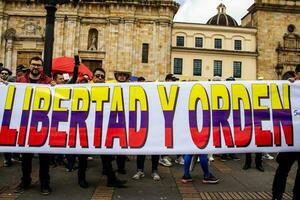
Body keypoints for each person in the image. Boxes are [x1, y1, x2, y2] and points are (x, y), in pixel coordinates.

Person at [14, 56, 55, 195]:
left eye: (38, 65)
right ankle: (25, 180)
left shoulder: (49, 81)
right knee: (26, 157)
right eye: (33, 65)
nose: (35, 67)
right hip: (25, 124)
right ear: (29, 65)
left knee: (44, 158)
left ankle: (45, 183)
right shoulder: (19, 80)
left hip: (42, 124)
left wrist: (56, 88)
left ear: (42, 67)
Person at [92, 68, 127, 188]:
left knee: (106, 153)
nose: (100, 78)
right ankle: (81, 179)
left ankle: (111, 177)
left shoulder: (109, 89)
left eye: (102, 77)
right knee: (82, 157)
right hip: (89, 127)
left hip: (103, 127)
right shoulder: (85, 88)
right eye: (97, 76)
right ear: (93, 77)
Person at [272, 64, 300, 200]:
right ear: (297, 74)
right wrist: (287, 85)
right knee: (282, 170)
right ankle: (277, 196)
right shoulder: (289, 86)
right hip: (290, 138)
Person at [132, 77, 160, 181]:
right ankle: (140, 170)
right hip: (142, 127)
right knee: (141, 149)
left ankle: (154, 171)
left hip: (154, 127)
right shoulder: (138, 99)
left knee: (155, 151)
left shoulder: (155, 99)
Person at [113, 70, 132, 174]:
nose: (121, 77)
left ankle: (121, 167)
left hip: (124, 119)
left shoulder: (130, 88)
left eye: (123, 75)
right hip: (113, 118)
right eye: (119, 75)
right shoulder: (111, 86)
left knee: (121, 145)